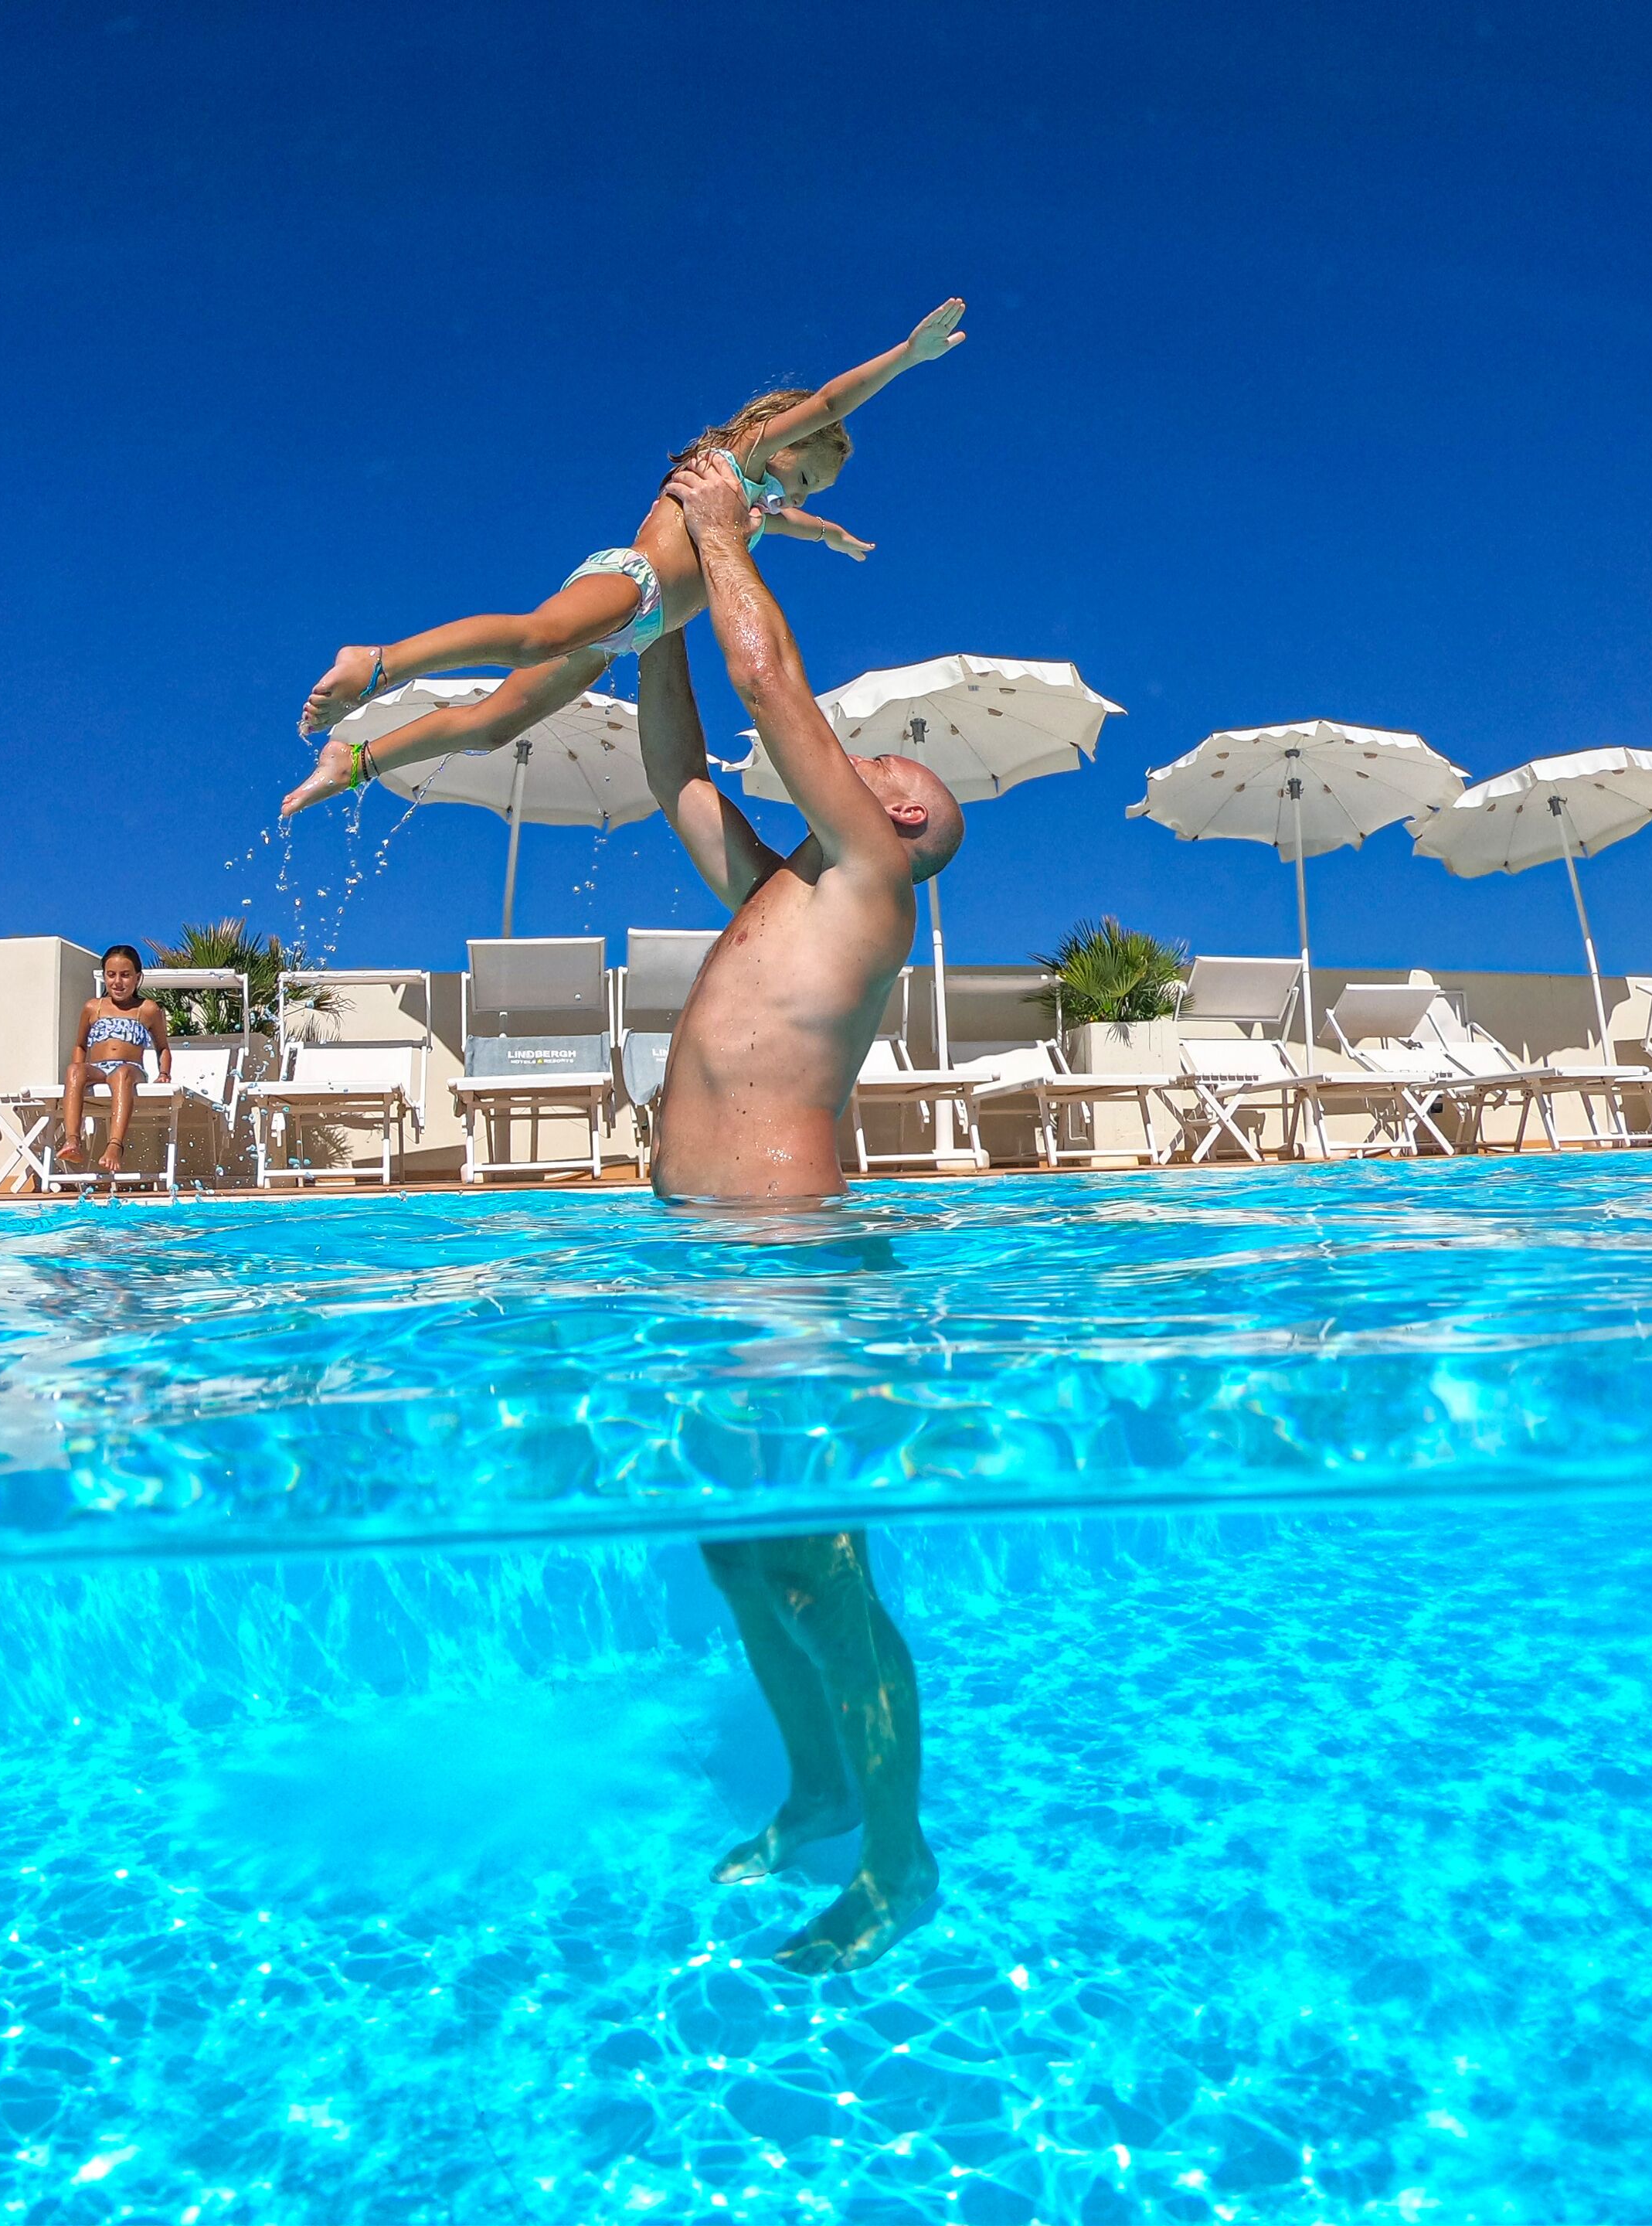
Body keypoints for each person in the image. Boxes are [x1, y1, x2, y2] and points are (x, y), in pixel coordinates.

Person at [628, 451, 964, 1973]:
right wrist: (655, 617)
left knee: (824, 1568)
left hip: (786, 1269)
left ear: (907, 825)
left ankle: (902, 1867)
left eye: (903, 779)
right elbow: (684, 779)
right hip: (702, 1258)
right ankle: (823, 1788)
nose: (879, 767)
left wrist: (720, 529)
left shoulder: (873, 885)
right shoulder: (783, 891)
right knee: (736, 1555)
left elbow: (774, 698)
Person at [276, 298, 968, 822]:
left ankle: (356, 761)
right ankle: (376, 661)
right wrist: (906, 356)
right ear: (785, 444)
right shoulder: (736, 459)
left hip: (628, 638)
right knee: (533, 637)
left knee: (495, 725)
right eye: (809, 475)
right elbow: (827, 400)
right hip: (630, 591)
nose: (800, 491)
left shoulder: (751, 507)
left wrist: (832, 536)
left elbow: (793, 524)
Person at [59, 945, 170, 1175]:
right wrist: (79, 1069)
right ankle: (73, 1140)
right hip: (99, 1070)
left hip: (131, 1070)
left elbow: (163, 1048)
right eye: (111, 975)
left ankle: (115, 1146)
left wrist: (164, 1074)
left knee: (122, 1073)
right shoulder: (93, 1007)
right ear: (104, 977)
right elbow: (80, 1045)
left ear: (138, 977)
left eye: (126, 975)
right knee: (73, 1070)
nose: (118, 982)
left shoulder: (147, 1009)